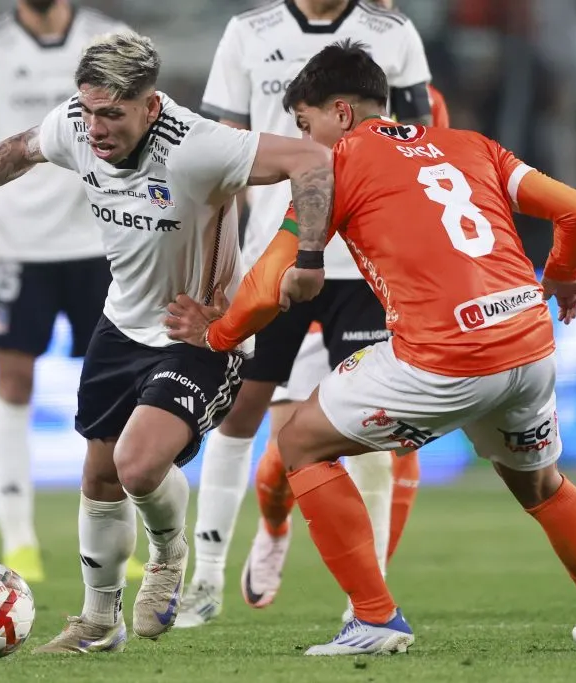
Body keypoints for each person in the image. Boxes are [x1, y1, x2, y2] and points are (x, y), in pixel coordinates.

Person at [166, 40, 576, 656]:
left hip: (445, 358)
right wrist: (561, 273)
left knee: (299, 441)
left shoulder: (332, 166)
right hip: (529, 346)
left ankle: (373, 618)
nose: (303, 140)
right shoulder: (476, 147)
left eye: (305, 123)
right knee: (543, 487)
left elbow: (268, 286)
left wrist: (216, 335)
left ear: (340, 113)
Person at [0, 30, 334, 653]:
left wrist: (308, 257)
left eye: (112, 113)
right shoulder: (75, 126)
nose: (96, 128)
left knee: (137, 465)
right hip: (121, 323)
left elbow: (312, 160)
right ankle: (99, 622)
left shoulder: (200, 146)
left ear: (150, 107)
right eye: (88, 110)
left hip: (199, 335)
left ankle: (168, 554)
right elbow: (21, 148)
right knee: (100, 479)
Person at [180, 0, 434, 628]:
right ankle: (208, 577)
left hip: (365, 261)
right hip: (278, 249)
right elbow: (219, 159)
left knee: (377, 425)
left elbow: (422, 143)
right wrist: (218, 264)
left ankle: (365, 600)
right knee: (243, 411)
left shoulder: (393, 32)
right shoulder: (248, 32)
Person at [0, 0, 149, 583]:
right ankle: (19, 540)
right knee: (13, 379)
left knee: (121, 386)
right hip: (17, 246)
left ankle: (122, 537)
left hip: (102, 240)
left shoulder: (110, 37)